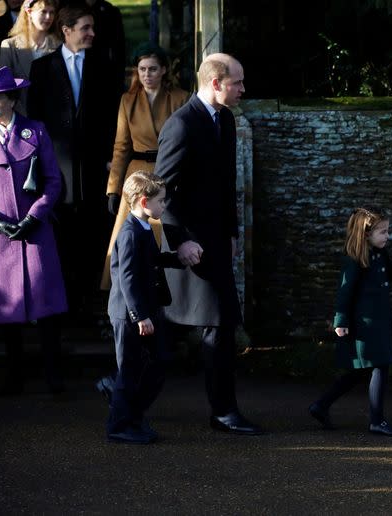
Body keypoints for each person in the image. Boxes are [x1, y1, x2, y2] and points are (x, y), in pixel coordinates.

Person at [154, 53, 262, 435]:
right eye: (237, 82)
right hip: (190, 242)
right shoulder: (182, 125)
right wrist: (180, 241)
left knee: (205, 322)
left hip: (216, 240)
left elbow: (226, 183)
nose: (243, 90)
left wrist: (232, 233)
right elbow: (159, 192)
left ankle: (123, 385)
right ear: (215, 83)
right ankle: (223, 411)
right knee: (210, 322)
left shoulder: (227, 120)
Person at [0, 66, 68, 395]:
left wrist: (35, 215)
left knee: (47, 306)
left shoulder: (35, 131)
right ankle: (14, 375)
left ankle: (53, 376)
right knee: (7, 310)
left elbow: (53, 181)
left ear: (12, 99)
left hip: (35, 231)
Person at [27, 3, 121, 317]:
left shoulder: (104, 65)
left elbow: (112, 116)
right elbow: (36, 118)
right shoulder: (42, 68)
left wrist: (110, 157)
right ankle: (62, 300)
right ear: (66, 31)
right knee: (62, 229)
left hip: (95, 164)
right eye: (85, 28)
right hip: (58, 165)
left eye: (92, 28)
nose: (92, 34)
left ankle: (89, 301)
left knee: (93, 227)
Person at [309, 208, 392, 437]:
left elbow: (389, 273)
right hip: (364, 326)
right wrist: (340, 321)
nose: (388, 236)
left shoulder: (379, 254)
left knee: (357, 372)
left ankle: (320, 406)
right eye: (383, 232)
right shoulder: (354, 259)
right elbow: (344, 293)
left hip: (377, 323)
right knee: (379, 366)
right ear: (365, 234)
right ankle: (377, 421)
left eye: (387, 231)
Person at [100, 42, 188, 291]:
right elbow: (121, 147)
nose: (147, 75)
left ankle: (169, 292)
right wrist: (113, 189)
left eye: (152, 69)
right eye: (142, 69)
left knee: (166, 230)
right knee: (131, 235)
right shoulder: (128, 100)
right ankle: (127, 292)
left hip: (169, 169)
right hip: (137, 174)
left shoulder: (181, 98)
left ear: (163, 70)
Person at [106, 171, 183, 444]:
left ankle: (134, 416)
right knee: (128, 370)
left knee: (158, 362)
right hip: (129, 314)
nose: (164, 205)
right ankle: (119, 425)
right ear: (143, 200)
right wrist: (139, 316)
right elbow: (126, 277)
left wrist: (179, 259)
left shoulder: (144, 226)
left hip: (143, 311)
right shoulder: (128, 233)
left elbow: (152, 260)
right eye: (161, 200)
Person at [0, 0, 60, 115]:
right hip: (20, 117)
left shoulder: (60, 46)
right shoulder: (9, 46)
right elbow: (4, 88)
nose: (48, 17)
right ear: (29, 12)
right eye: (43, 12)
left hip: (52, 117)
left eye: (52, 12)